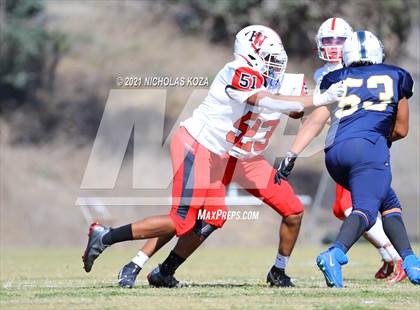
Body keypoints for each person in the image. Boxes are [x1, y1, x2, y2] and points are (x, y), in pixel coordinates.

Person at [82, 25, 345, 288]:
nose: (274, 64)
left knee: (213, 216)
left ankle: (162, 271)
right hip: (196, 145)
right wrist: (318, 97)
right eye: (268, 57)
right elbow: (267, 101)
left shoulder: (279, 79)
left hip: (223, 154)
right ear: (250, 54)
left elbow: (301, 111)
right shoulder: (237, 71)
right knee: (181, 220)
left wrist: (325, 106)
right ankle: (107, 239)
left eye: (276, 58)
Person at [275, 30, 420, 287]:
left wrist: (293, 151)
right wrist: (375, 143)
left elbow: (318, 115)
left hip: (335, 152)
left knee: (389, 202)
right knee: (364, 209)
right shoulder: (396, 76)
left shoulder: (335, 76)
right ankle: (336, 253)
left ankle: (410, 260)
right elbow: (401, 130)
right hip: (369, 148)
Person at [314, 17, 405, 282]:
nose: (333, 46)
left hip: (358, 144)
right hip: (348, 145)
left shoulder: (352, 71)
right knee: (369, 204)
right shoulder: (325, 74)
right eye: (327, 40)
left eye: (339, 40)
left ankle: (394, 257)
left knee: (348, 206)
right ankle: (396, 258)